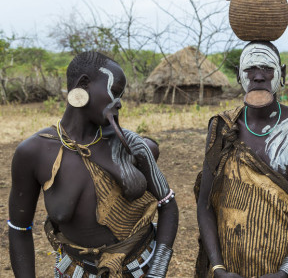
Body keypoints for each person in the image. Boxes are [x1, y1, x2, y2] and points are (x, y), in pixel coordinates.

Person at [8, 51, 178, 278]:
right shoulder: (34, 152)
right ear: (84, 84)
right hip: (75, 271)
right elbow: (19, 229)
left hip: (140, 268)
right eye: (115, 92)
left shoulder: (130, 146)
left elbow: (168, 205)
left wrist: (156, 272)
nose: (119, 103)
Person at [196, 41, 288, 278]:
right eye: (249, 69)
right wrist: (218, 268)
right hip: (230, 266)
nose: (258, 77)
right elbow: (205, 205)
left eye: (267, 68)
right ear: (238, 76)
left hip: (285, 263)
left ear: (282, 73)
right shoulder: (223, 126)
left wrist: (285, 270)